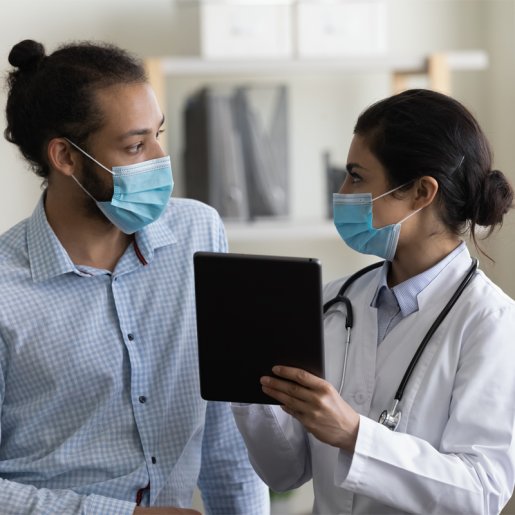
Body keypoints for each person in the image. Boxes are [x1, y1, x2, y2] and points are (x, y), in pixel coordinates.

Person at [0, 39, 269, 515]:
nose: (160, 158)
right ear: (65, 157)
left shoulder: (197, 233)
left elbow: (224, 436)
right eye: (135, 145)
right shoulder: (6, 286)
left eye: (158, 135)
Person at [232, 88, 515, 514]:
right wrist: (248, 381)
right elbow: (285, 474)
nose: (341, 191)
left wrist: (354, 435)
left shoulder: (489, 322)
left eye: (357, 176)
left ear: (421, 192)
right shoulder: (334, 301)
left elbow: (482, 490)